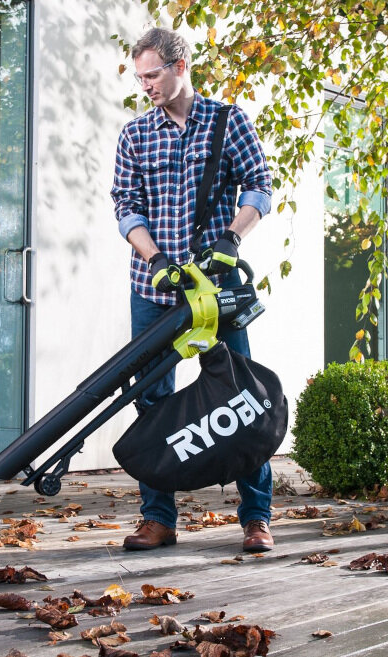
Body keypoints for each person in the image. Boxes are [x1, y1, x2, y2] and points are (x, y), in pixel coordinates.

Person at [111, 28, 275, 553]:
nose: (146, 86)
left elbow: (259, 185)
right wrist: (154, 258)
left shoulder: (228, 121)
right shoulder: (135, 135)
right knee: (153, 403)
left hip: (217, 289)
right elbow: (126, 207)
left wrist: (232, 237)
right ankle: (158, 519)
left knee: (241, 398)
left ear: (181, 66)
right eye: (140, 77)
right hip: (153, 291)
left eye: (153, 74)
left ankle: (256, 519)